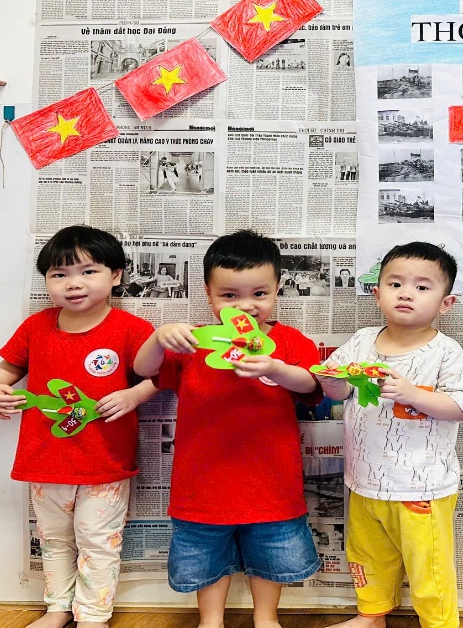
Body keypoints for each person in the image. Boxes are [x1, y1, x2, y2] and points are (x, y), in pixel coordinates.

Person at [134, 230, 323, 628]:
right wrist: (157, 337)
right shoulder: (194, 344)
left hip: (272, 482)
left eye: (259, 294)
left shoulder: (288, 341)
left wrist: (274, 367)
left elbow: (312, 385)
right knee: (206, 553)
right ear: (208, 293)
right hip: (202, 484)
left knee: (272, 553)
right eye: (230, 295)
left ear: (277, 290)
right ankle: (211, 620)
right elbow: (144, 370)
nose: (246, 306)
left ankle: (266, 618)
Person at [0, 225, 158, 628]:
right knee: (55, 539)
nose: (73, 283)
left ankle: (94, 616)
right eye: (59, 274)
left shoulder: (130, 329)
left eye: (88, 271)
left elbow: (162, 376)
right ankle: (57, 608)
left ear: (116, 275)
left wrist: (133, 395)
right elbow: (5, 372)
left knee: (99, 542)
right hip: (45, 458)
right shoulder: (36, 326)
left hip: (105, 462)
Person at [322, 243, 463, 628]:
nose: (406, 293)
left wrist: (411, 394)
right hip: (364, 481)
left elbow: (460, 408)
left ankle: (440, 623)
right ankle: (371, 614)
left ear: (446, 303)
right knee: (367, 555)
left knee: (429, 565)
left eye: (423, 287)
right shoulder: (360, 341)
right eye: (395, 284)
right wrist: (328, 379)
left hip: (420, 487)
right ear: (377, 294)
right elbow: (338, 393)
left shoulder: (445, 351)